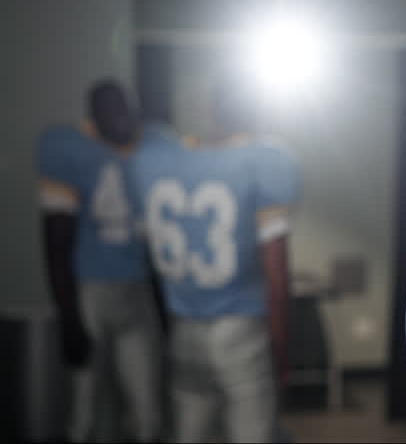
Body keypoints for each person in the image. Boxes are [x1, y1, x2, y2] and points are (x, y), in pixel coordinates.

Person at [127, 74, 298, 443]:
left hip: (182, 326)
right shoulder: (264, 159)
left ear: (210, 109)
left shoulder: (158, 157)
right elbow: (277, 273)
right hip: (240, 328)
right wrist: (282, 347)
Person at [38, 79, 165, 443]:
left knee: (147, 410)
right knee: (83, 410)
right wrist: (68, 316)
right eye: (112, 109)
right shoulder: (68, 148)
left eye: (127, 108)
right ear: (92, 117)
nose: (122, 118)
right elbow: (55, 241)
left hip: (137, 288)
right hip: (88, 289)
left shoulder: (152, 145)